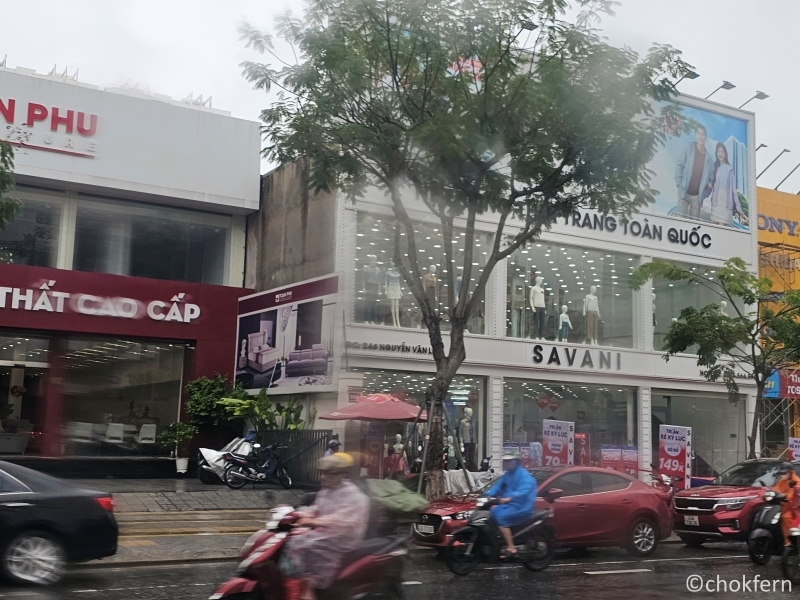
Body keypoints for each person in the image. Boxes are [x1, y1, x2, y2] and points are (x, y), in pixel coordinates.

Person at [283, 453, 370, 600]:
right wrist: (298, 514)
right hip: (326, 531)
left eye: (329, 473)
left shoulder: (353, 495)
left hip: (342, 537)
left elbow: (343, 519)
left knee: (305, 545)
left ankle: (309, 588)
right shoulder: (326, 490)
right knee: (293, 538)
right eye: (323, 472)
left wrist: (314, 522)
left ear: (340, 474)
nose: (323, 477)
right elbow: (316, 508)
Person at [486, 452, 537, 557]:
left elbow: (524, 491)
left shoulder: (525, 476)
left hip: (522, 506)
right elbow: (498, 487)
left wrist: (510, 497)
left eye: (509, 461)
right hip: (510, 505)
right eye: (505, 461)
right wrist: (486, 495)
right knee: (491, 512)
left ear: (517, 462)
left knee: (501, 517)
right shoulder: (507, 475)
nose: (506, 463)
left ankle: (511, 546)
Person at [674, 124, 713, 220]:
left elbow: (712, 180)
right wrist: (679, 184)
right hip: (684, 192)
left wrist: (703, 195)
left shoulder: (709, 159)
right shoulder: (689, 148)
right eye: (698, 133)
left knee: (695, 227)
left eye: (702, 134)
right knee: (679, 221)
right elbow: (679, 164)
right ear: (696, 135)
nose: (700, 136)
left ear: (705, 136)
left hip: (696, 197)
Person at [707, 142, 744, 226]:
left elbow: (734, 191)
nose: (720, 154)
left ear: (725, 153)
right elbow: (710, 182)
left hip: (726, 202)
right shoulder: (715, 166)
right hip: (716, 200)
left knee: (722, 228)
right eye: (718, 151)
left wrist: (739, 209)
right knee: (715, 225)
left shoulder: (730, 169)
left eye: (722, 151)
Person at [773, 462, 800, 546]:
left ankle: (791, 541)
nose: (783, 475)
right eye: (782, 473)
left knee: (788, 518)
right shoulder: (781, 481)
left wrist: (785, 497)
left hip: (795, 508)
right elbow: (775, 490)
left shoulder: (797, 482)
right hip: (784, 506)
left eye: (785, 472)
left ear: (791, 472)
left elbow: (793, 494)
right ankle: (787, 542)